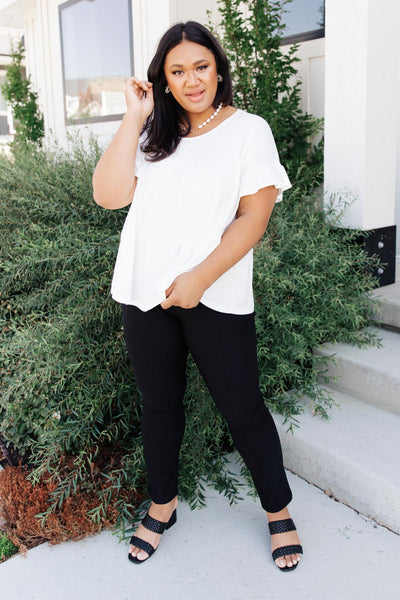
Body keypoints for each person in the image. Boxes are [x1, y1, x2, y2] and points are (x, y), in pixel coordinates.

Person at [92, 20, 303, 572]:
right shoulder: (151, 134)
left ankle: (278, 510)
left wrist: (199, 278)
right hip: (143, 292)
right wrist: (134, 116)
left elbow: (253, 218)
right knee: (159, 404)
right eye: (177, 71)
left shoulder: (248, 130)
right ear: (162, 79)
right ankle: (163, 503)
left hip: (215, 293)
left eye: (201, 67)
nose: (192, 80)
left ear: (219, 68)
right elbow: (109, 195)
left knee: (243, 409)